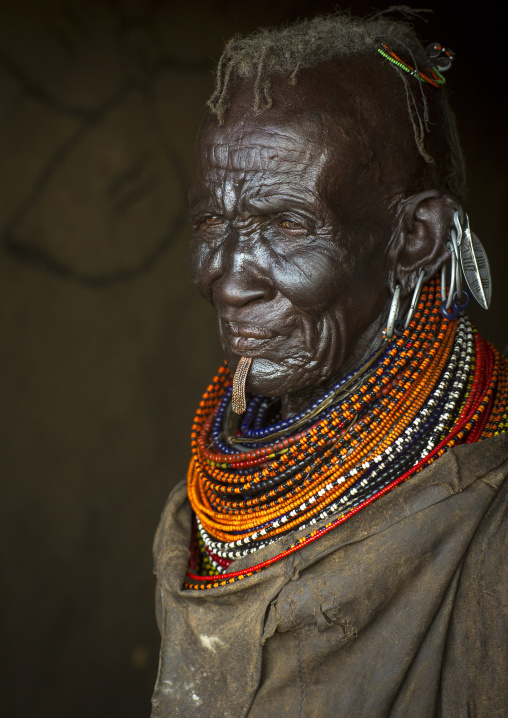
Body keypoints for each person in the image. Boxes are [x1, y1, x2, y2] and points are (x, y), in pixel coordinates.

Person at [151, 12, 508, 718]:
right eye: (211, 224)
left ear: (416, 236)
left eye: (285, 224)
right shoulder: (196, 516)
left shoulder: (489, 540)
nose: (225, 279)